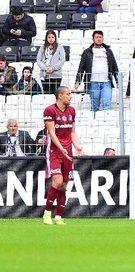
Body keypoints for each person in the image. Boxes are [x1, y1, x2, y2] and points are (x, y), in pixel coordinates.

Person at [42, 86, 83, 225]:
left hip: (68, 152)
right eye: (68, 94)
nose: (70, 96)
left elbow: (72, 132)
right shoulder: (50, 110)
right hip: (54, 151)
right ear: (60, 96)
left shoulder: (72, 111)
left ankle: (59, 217)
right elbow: (52, 133)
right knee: (57, 181)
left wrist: (77, 146)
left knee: (64, 185)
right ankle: (47, 213)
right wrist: (61, 148)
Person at [75, 30, 119, 111]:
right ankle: (95, 122)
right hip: (93, 82)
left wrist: (117, 80)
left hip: (106, 82)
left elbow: (114, 66)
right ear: (93, 39)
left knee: (107, 104)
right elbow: (81, 67)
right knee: (95, 106)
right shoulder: (87, 52)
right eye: (97, 37)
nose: (99, 39)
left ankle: (107, 121)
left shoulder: (108, 51)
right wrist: (78, 81)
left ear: (103, 38)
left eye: (100, 37)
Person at [36, 30, 66, 95]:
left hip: (56, 75)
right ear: (46, 38)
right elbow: (38, 60)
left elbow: (62, 60)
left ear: (55, 38)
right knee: (46, 94)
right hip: (45, 74)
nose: (51, 39)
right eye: (49, 37)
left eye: (52, 37)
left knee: (55, 94)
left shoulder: (60, 47)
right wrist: (45, 68)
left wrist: (53, 68)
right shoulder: (42, 47)